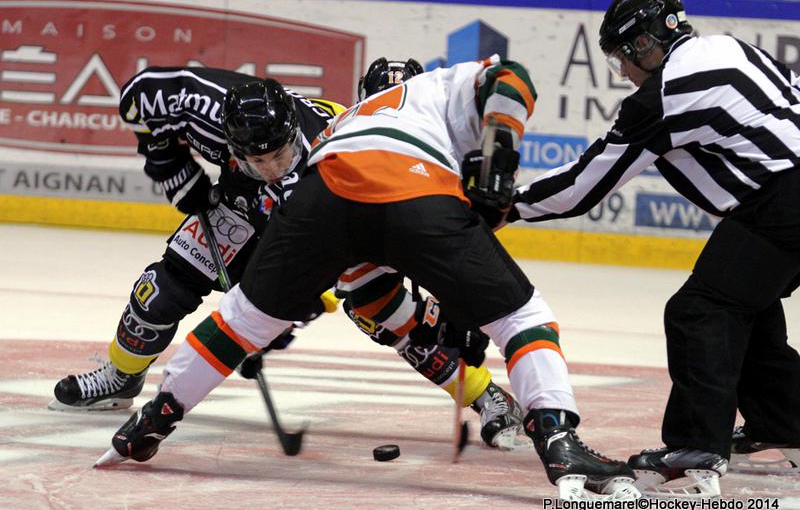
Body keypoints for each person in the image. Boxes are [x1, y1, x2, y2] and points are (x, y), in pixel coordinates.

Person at [98, 55, 639, 501]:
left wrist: (437, 315)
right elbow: (514, 77)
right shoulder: (445, 89)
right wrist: (499, 157)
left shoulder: (338, 127)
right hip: (412, 187)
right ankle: (560, 439)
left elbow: (368, 287)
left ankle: (154, 419)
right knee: (521, 316)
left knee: (241, 320)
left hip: (324, 195)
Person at [52, 61, 524, 449]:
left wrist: (278, 318)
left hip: (322, 211)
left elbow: (328, 269)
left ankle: (487, 396)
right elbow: (139, 93)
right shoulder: (211, 107)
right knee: (163, 290)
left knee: (380, 314)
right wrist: (171, 165)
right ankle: (121, 376)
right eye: (260, 159)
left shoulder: (334, 158)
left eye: (281, 155)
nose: (274, 167)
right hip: (245, 200)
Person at [505, 0, 800, 496]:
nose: (622, 71)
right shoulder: (733, 48)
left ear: (646, 43)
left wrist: (503, 206)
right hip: (780, 196)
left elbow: (583, 187)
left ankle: (697, 448)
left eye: (622, 56)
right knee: (744, 310)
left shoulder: (663, 94)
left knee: (700, 311)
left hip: (786, 198)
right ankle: (787, 425)